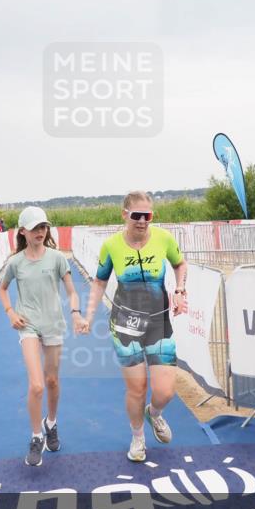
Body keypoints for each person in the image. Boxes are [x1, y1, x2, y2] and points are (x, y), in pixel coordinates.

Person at [83, 191, 188, 462]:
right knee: (137, 388)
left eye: (147, 216)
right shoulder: (111, 246)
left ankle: (154, 414)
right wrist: (89, 314)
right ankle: (138, 437)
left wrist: (180, 289)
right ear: (125, 215)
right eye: (136, 215)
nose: (142, 221)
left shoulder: (164, 238)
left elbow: (180, 264)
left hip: (159, 321)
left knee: (165, 391)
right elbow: (99, 281)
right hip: (125, 324)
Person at [0, 207, 85, 466]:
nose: (40, 232)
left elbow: (72, 291)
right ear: (22, 231)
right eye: (35, 228)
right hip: (28, 326)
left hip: (53, 324)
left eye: (43, 227)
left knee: (52, 381)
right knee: (36, 385)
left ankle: (51, 423)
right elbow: (2, 290)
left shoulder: (57, 258)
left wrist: (76, 314)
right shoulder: (15, 262)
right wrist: (10, 312)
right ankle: (36, 436)